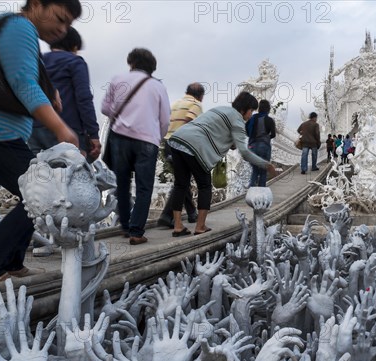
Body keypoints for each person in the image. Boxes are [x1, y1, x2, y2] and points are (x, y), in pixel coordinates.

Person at [0, 0, 82, 284]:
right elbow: (22, 81)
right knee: (46, 193)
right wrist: (62, 130)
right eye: (59, 18)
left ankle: (12, 261)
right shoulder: (20, 26)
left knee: (34, 195)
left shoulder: (10, 25)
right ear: (37, 5)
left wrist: (50, 89)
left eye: (68, 24)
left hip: (4, 135)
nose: (62, 29)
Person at [168, 92, 276, 236]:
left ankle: (178, 226)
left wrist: (230, 143)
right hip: (194, 145)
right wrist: (265, 164)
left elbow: (216, 132)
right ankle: (200, 226)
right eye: (251, 111)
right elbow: (244, 152)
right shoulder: (238, 120)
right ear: (244, 109)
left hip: (177, 139)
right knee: (205, 185)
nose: (251, 115)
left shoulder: (219, 109)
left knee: (181, 184)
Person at [101, 48, 170, 245]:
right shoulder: (158, 87)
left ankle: (124, 225)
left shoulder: (117, 79)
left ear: (131, 63)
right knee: (144, 187)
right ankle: (136, 231)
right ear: (152, 68)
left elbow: (105, 108)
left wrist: (122, 114)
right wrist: (158, 136)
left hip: (120, 138)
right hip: (147, 141)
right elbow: (165, 119)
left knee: (122, 184)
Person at [28, 26, 100, 161]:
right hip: (66, 129)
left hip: (34, 129)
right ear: (74, 47)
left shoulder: (38, 62)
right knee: (71, 178)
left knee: (40, 178)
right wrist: (93, 133)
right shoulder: (75, 62)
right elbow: (84, 98)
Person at [157, 83, 205, 228]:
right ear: (200, 95)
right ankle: (166, 216)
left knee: (182, 179)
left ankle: (191, 213)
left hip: (168, 144)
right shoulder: (196, 105)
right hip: (182, 144)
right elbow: (189, 121)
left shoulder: (176, 104)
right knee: (181, 182)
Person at [247, 99, 276, 187]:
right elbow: (273, 134)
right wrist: (266, 137)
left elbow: (246, 130)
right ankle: (261, 194)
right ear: (268, 109)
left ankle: (251, 191)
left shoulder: (252, 118)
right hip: (264, 146)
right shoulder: (270, 120)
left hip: (252, 146)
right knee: (263, 171)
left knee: (255, 170)